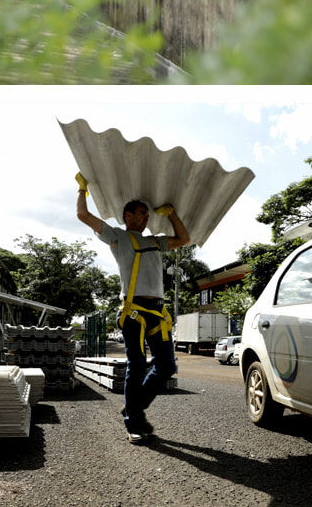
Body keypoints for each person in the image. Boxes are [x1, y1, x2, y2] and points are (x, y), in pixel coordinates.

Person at [75, 173, 191, 443]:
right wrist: (82, 189)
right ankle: (134, 424)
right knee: (137, 365)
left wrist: (172, 214)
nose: (147, 217)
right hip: (133, 312)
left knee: (166, 367)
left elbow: (183, 239)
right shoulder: (118, 237)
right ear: (128, 216)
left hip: (157, 314)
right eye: (142, 213)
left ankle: (133, 408)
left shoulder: (156, 242)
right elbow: (83, 215)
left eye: (148, 214)